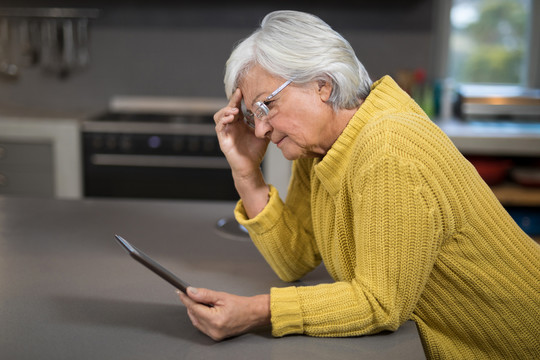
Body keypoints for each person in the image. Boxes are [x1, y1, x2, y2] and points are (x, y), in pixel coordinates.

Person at [178, 10, 540, 359]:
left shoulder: (388, 148)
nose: (260, 129)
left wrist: (257, 311)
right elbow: (294, 259)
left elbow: (379, 304)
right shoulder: (320, 151)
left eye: (266, 106)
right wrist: (246, 173)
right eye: (252, 115)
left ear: (322, 85)